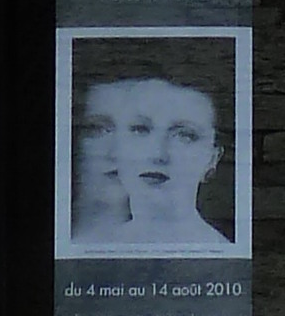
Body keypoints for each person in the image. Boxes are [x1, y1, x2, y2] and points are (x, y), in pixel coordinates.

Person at [74, 56, 235, 252]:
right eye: (140, 129)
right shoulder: (89, 248)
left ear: (212, 158)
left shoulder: (221, 254)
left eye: (185, 135)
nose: (157, 154)